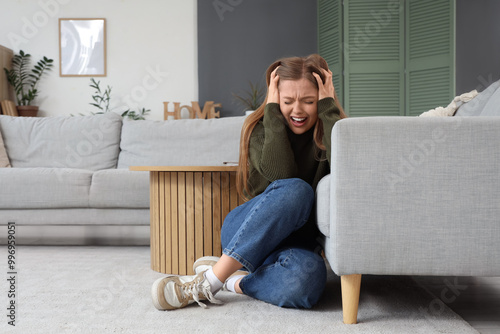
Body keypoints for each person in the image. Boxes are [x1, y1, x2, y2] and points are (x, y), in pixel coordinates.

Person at [152, 54, 347, 310]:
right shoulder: (259, 128)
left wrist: (329, 109)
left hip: (294, 246)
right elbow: (282, 177)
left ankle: (235, 281)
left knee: (307, 283)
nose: (297, 110)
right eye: (287, 101)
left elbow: (349, 169)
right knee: (297, 189)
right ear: (275, 98)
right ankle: (209, 282)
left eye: (309, 101)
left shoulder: (333, 129)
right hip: (245, 229)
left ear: (322, 99)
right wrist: (273, 116)